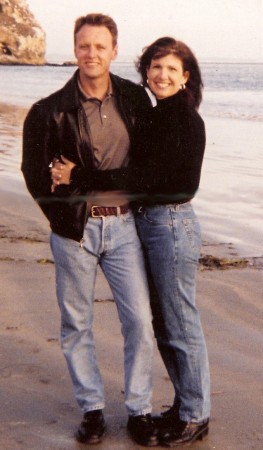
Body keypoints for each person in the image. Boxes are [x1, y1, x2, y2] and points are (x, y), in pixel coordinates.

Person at [22, 13, 159, 447]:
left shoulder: (136, 100)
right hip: (74, 232)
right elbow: (32, 172)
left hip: (124, 229)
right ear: (74, 48)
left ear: (114, 50)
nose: (91, 54)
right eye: (84, 45)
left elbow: (148, 164)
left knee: (139, 320)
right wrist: (62, 219)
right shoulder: (50, 110)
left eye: (100, 46)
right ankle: (93, 410)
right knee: (76, 323)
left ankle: (139, 409)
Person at [97, 37, 211, 446]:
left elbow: (149, 179)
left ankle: (196, 414)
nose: (162, 75)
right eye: (156, 67)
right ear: (146, 71)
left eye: (171, 69)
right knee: (165, 323)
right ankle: (185, 405)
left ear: (185, 78)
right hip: (151, 224)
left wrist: (88, 178)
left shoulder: (181, 119)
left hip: (171, 225)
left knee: (180, 322)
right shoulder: (158, 114)